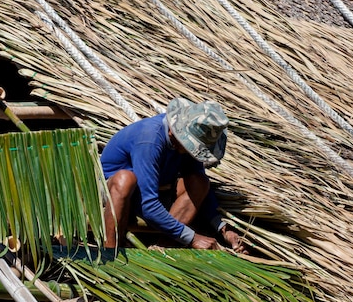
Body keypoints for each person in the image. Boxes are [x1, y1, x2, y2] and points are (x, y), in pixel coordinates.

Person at [100, 97, 246, 253]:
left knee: (199, 182)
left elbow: (201, 187)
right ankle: (111, 250)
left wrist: (223, 229)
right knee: (125, 179)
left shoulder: (183, 147)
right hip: (114, 193)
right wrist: (192, 237)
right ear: (173, 132)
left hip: (151, 191)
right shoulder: (149, 139)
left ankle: (163, 248)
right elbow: (149, 205)